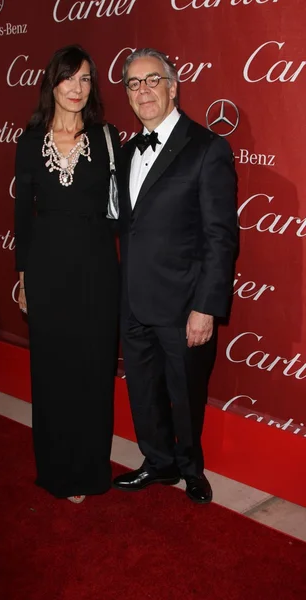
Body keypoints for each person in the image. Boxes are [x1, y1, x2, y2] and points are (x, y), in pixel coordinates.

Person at [113, 48, 238, 503]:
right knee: (144, 392)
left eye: (151, 80)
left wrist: (206, 306)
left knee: (185, 397)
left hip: (184, 303)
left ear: (173, 86)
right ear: (126, 94)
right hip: (133, 301)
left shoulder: (207, 148)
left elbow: (220, 237)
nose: (143, 91)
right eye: (133, 83)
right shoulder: (125, 154)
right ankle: (158, 463)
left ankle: (191, 468)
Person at [14, 45, 120, 504]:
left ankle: (90, 470)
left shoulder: (107, 138)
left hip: (97, 271)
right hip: (47, 271)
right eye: (68, 78)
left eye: (85, 80)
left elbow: (122, 213)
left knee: (93, 372)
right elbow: (23, 214)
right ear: (52, 82)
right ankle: (57, 470)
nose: (76, 89)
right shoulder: (28, 139)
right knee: (52, 372)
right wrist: (22, 276)